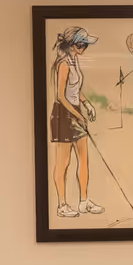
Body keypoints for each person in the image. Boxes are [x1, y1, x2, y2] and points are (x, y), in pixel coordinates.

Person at [50, 27, 104, 217]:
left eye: (85, 44)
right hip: (63, 114)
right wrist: (77, 115)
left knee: (84, 159)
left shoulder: (75, 61)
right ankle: (62, 205)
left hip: (76, 110)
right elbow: (60, 96)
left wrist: (87, 104)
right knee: (63, 162)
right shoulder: (63, 64)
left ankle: (83, 201)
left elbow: (74, 90)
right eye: (82, 43)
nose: (85, 47)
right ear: (73, 44)